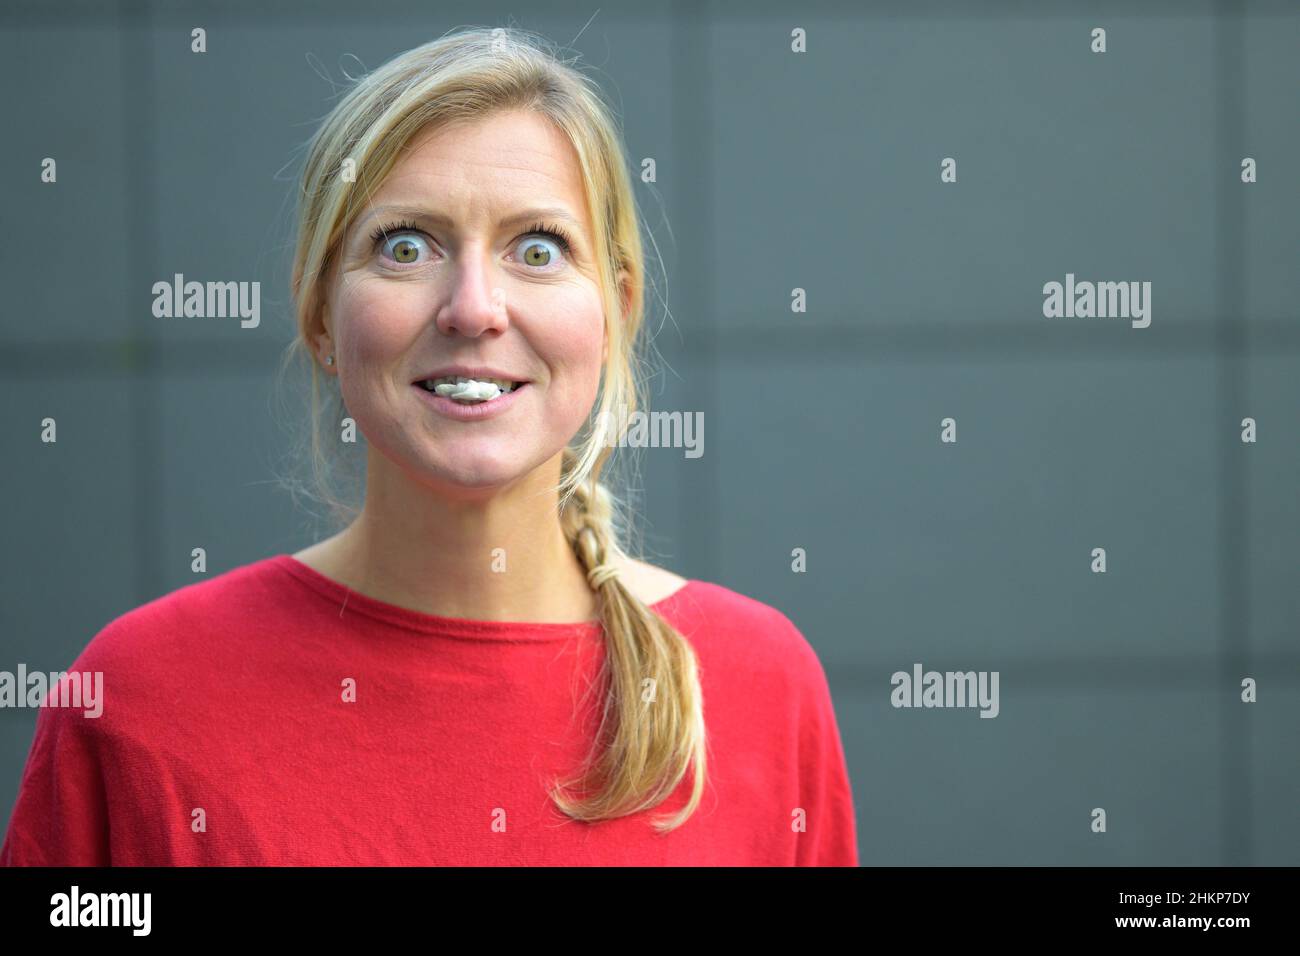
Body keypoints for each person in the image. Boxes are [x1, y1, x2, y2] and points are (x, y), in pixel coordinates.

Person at [0, 26, 857, 866]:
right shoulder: (140, 699)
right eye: (406, 246)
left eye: (538, 248)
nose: (474, 308)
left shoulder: (760, 682)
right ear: (320, 315)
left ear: (616, 313)